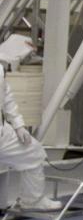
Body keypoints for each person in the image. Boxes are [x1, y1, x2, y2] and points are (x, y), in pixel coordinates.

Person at [0, 60, 61, 212]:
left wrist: (18, 125)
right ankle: (32, 200)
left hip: (2, 132)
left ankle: (32, 200)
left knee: (33, 150)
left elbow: (6, 97)